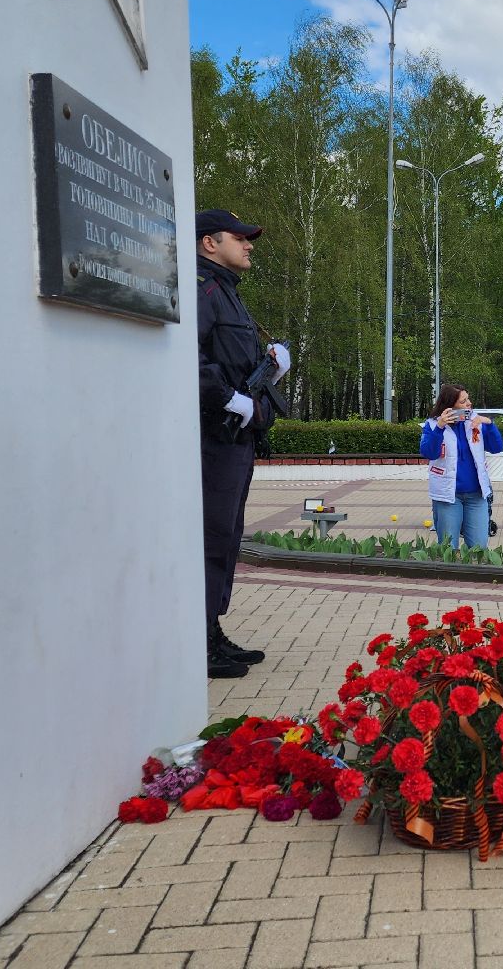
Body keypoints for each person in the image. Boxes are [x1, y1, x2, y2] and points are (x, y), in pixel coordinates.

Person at [197, 209, 290, 680]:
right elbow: (189, 359)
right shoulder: (202, 290)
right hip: (213, 436)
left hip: (235, 437)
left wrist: (271, 366)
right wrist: (229, 399)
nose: (249, 245)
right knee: (211, 536)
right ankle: (199, 638)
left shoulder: (228, 293)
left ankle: (210, 629)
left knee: (226, 535)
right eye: (239, 238)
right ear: (209, 243)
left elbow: (236, 364)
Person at [419, 384, 503, 549]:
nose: (469, 403)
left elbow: (497, 448)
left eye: (468, 399)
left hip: (477, 496)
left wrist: (489, 424)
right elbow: (429, 453)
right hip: (448, 496)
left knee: (479, 548)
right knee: (448, 548)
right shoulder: (432, 424)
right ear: (450, 405)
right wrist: (440, 427)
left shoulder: (476, 421)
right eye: (463, 401)